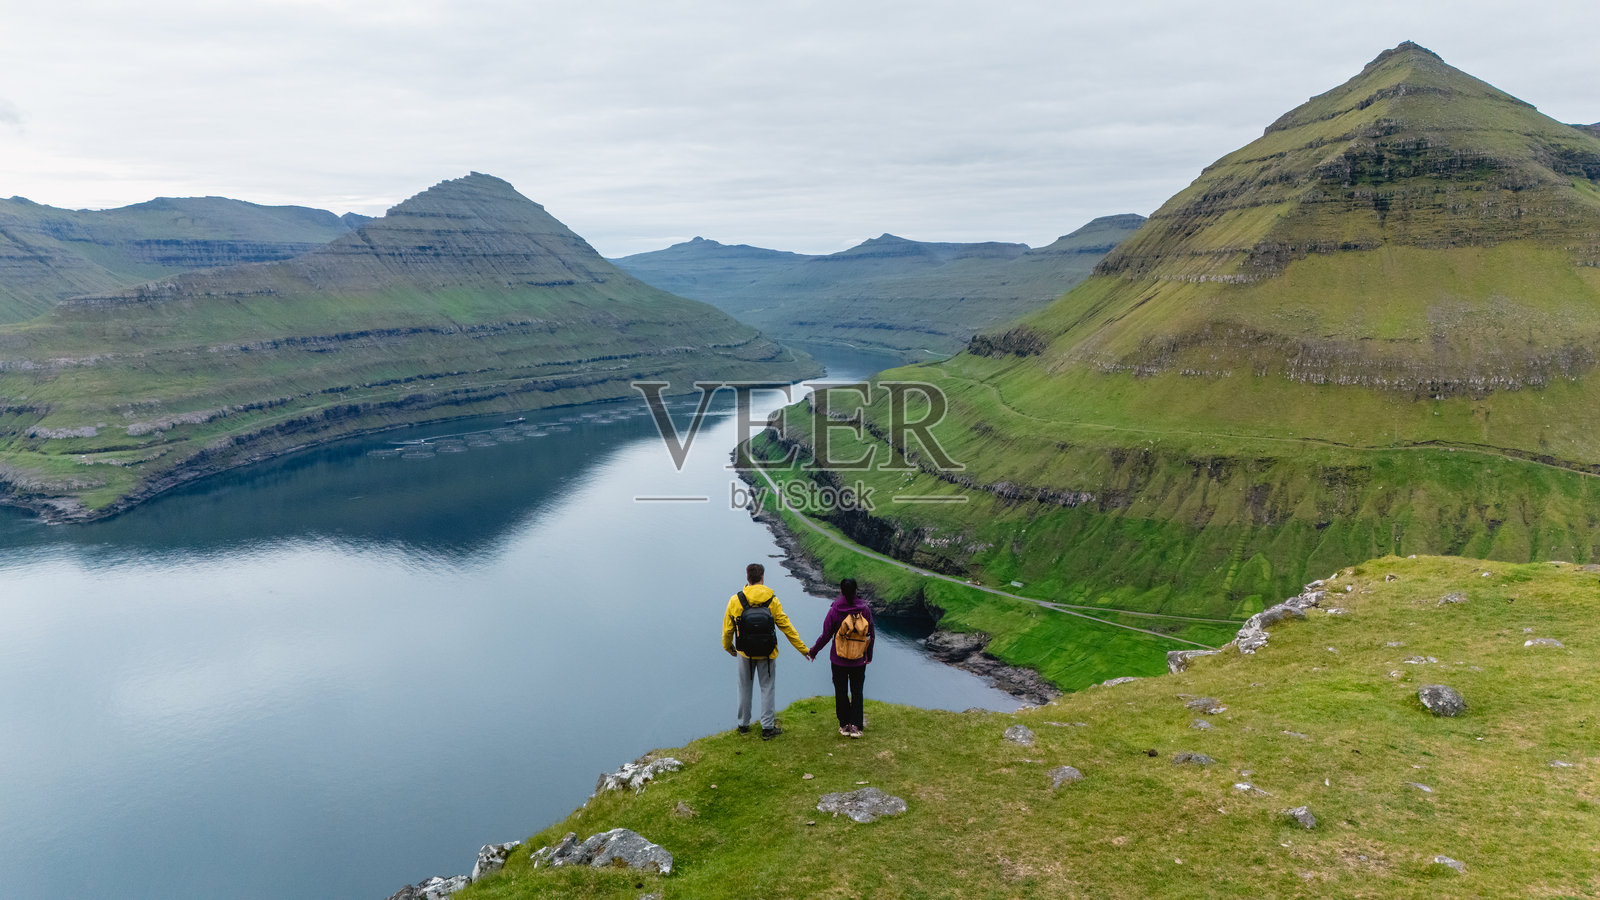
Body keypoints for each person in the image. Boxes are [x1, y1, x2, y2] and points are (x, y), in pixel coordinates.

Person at [722, 562, 812, 740]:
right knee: (767, 688)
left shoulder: (735, 600)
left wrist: (729, 648)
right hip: (767, 652)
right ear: (762, 578)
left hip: (744, 652)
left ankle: (743, 725)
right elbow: (787, 628)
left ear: (747, 578)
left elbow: (727, 630)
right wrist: (803, 649)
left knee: (744, 688)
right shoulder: (772, 600)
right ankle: (767, 727)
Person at [808, 578, 875, 738]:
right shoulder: (864, 610)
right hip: (858, 659)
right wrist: (868, 655)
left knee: (841, 690)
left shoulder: (835, 610)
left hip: (838, 659)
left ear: (841, 591)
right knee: (857, 691)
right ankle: (856, 726)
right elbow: (871, 634)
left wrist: (814, 651)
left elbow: (826, 635)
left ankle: (844, 725)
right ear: (856, 590)